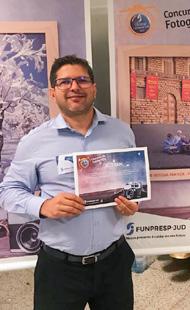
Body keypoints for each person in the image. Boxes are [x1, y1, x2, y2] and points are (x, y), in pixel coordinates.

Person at [0, 55, 138, 310]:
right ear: (53, 92)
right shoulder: (34, 142)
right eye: (65, 82)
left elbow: (129, 185)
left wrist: (129, 204)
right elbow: (8, 192)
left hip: (114, 262)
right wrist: (44, 206)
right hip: (59, 270)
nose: (74, 87)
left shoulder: (121, 132)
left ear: (94, 88)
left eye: (82, 80)